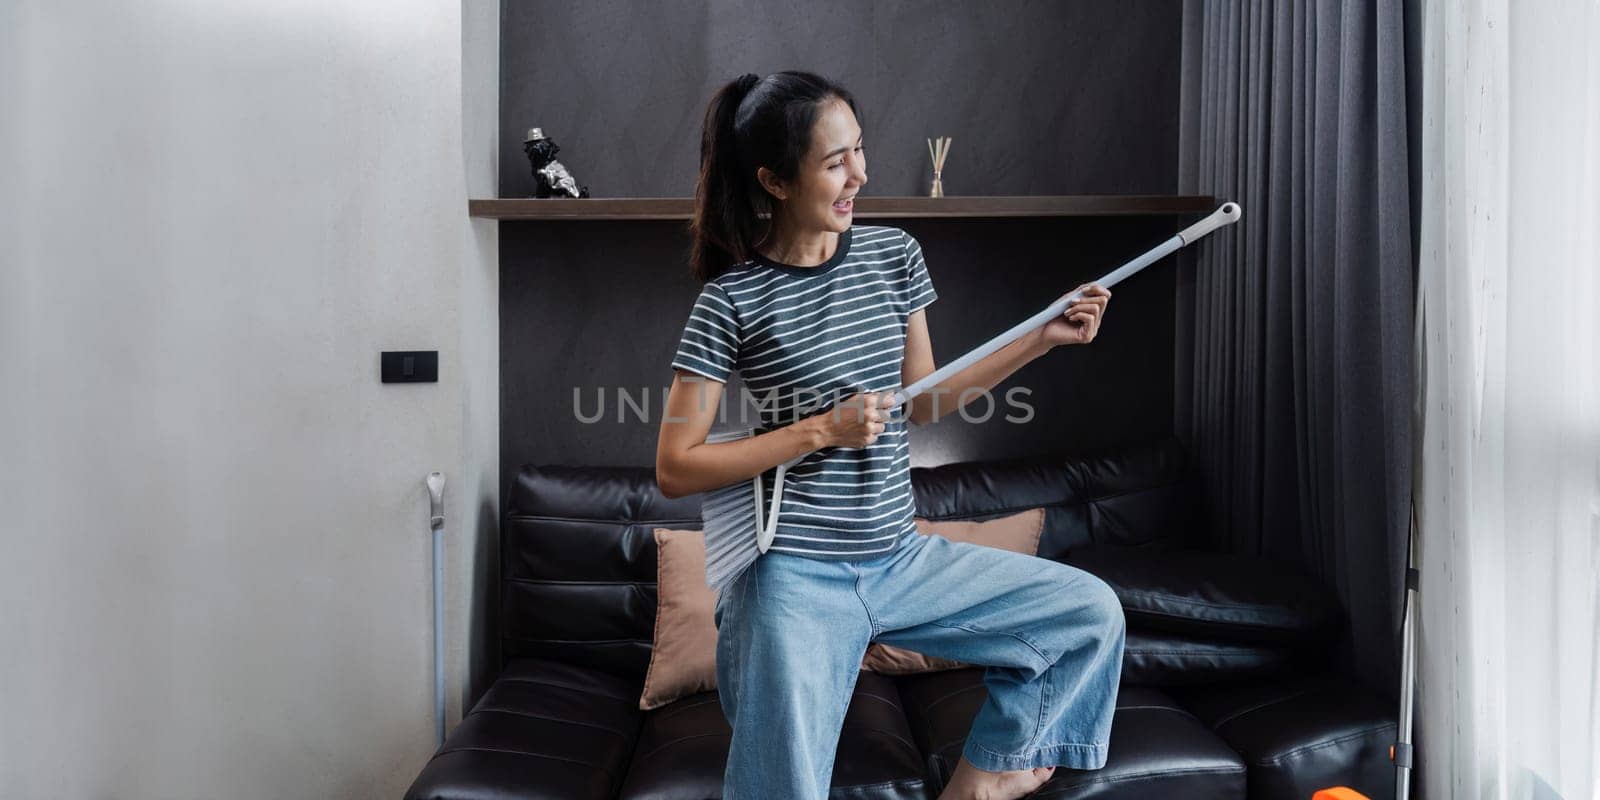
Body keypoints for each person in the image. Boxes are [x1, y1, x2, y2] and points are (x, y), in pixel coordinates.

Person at [655, 70, 1124, 800]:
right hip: (793, 576)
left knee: (1088, 614)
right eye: (835, 161)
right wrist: (820, 429)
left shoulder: (893, 256)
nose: (860, 175)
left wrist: (1044, 338)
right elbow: (676, 467)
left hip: (899, 555)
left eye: (859, 150)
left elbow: (926, 402)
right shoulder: (731, 300)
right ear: (775, 182)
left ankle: (978, 785)